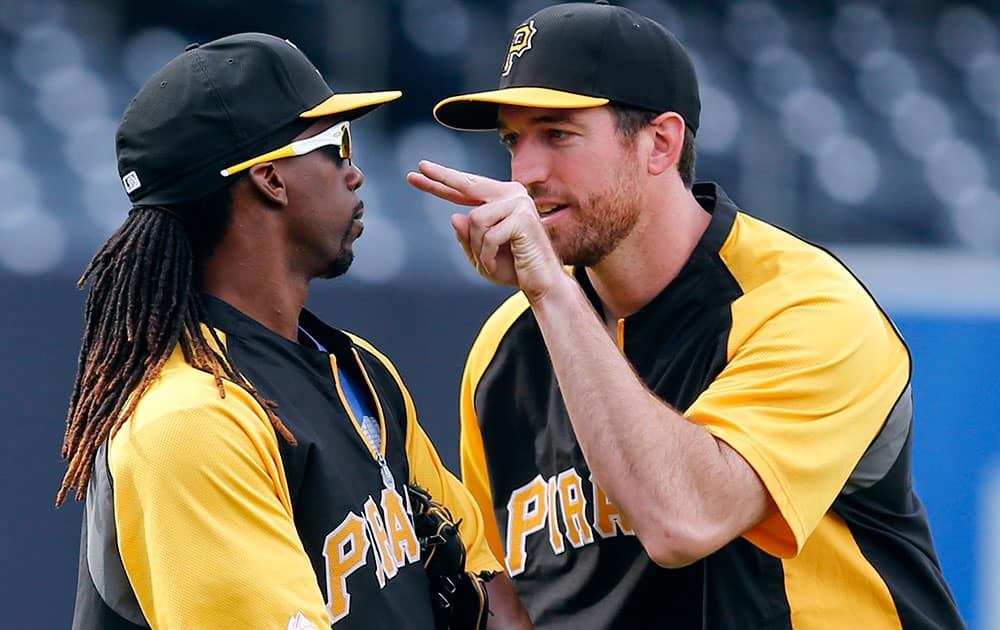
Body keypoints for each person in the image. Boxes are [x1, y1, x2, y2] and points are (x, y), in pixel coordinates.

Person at [407, 2, 966, 628]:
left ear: (660, 143)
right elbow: (508, 593)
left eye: (558, 134)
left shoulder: (806, 307)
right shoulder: (503, 349)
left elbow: (684, 519)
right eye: (515, 140)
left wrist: (551, 295)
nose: (525, 172)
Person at [57, 32, 530, 630]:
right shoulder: (188, 421)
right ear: (271, 179)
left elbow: (493, 594)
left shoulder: (355, 367)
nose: (354, 174)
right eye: (335, 146)